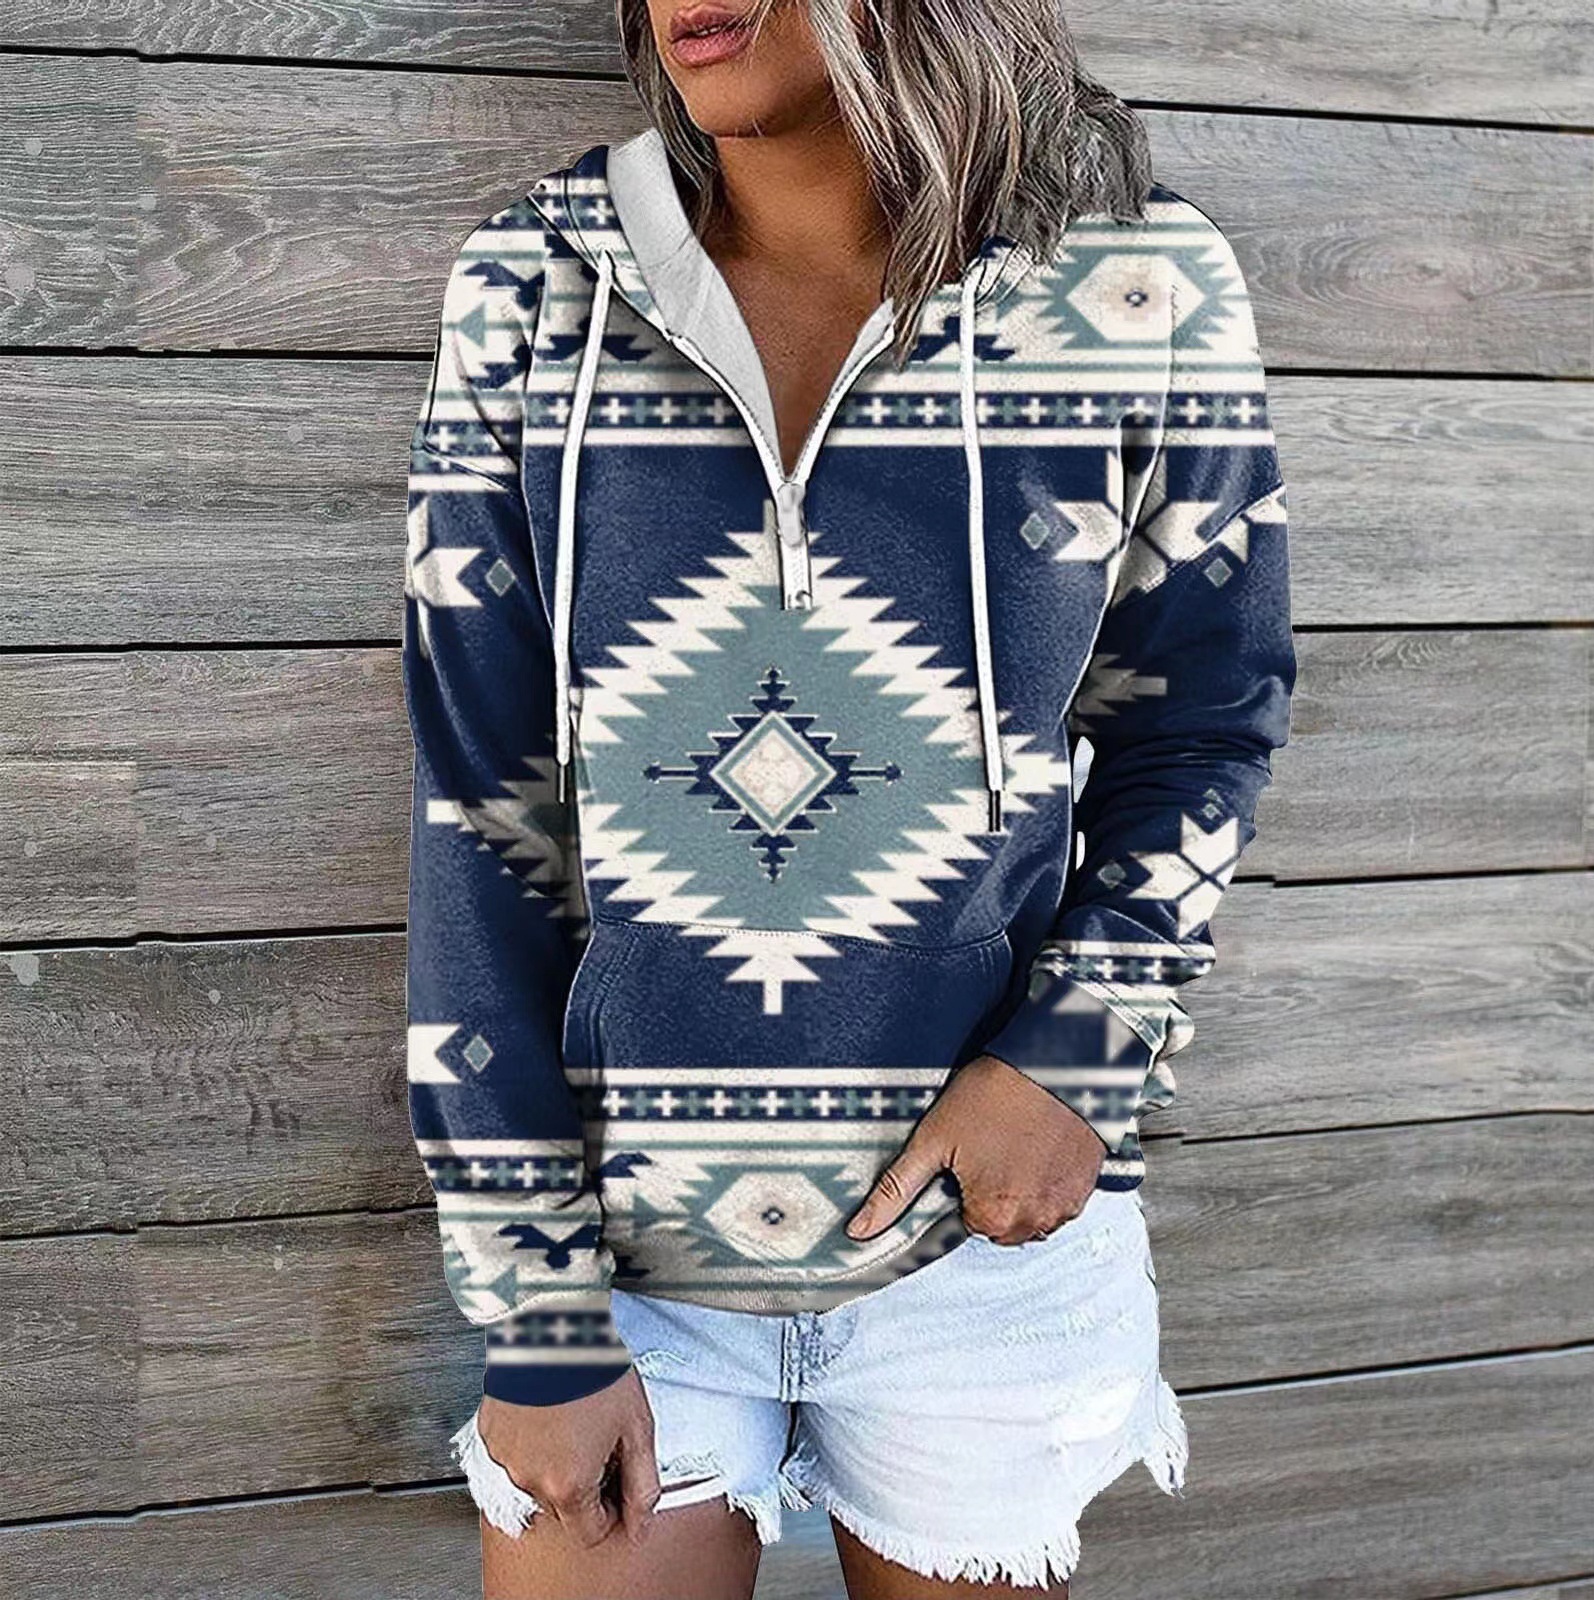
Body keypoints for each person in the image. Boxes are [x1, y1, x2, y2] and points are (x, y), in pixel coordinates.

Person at [401, 0, 1296, 1593]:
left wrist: (1080, 1052)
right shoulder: (539, 278)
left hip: (986, 1237)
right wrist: (533, 1299)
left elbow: (1206, 713)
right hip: (624, 1251)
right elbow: (481, 803)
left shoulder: (1135, 278)